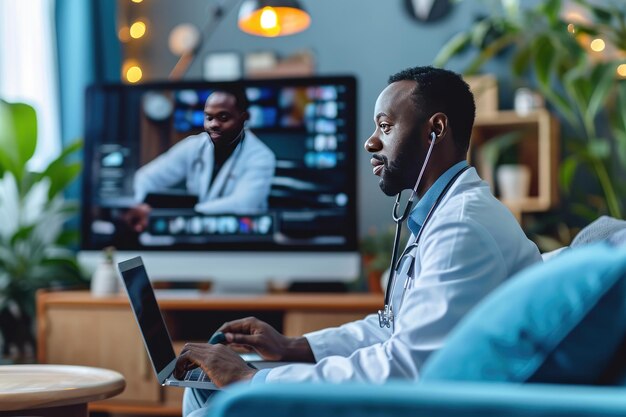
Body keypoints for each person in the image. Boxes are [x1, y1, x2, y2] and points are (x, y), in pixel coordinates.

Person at [174, 66, 542, 414]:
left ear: (436, 129)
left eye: (385, 126)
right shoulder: (442, 217)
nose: (370, 142)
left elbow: (406, 366)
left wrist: (253, 379)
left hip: (431, 405)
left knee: (218, 399)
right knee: (201, 387)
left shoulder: (461, 228)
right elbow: (394, 325)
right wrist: (294, 347)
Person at [125, 87, 276, 232]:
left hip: (241, 241)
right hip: (195, 237)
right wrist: (140, 205)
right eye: (209, 117)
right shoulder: (195, 145)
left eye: (223, 117)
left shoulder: (261, 156)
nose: (214, 124)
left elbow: (243, 206)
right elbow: (146, 177)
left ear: (244, 118)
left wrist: (187, 211)